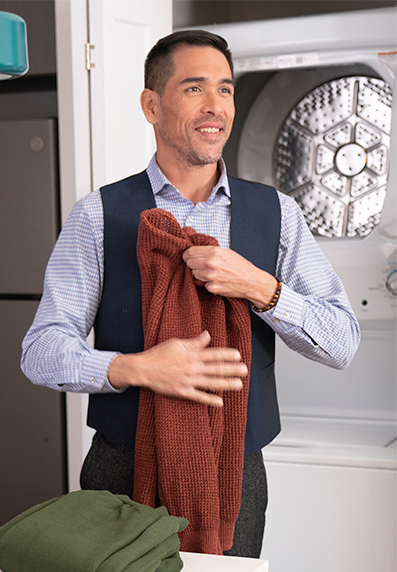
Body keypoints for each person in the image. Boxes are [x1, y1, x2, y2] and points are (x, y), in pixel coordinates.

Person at [21, 30, 360, 558]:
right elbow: (40, 350)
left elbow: (342, 342)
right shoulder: (100, 216)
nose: (215, 107)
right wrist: (136, 368)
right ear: (150, 105)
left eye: (224, 90)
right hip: (123, 467)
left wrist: (261, 288)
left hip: (237, 473)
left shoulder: (277, 215)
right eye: (194, 88)